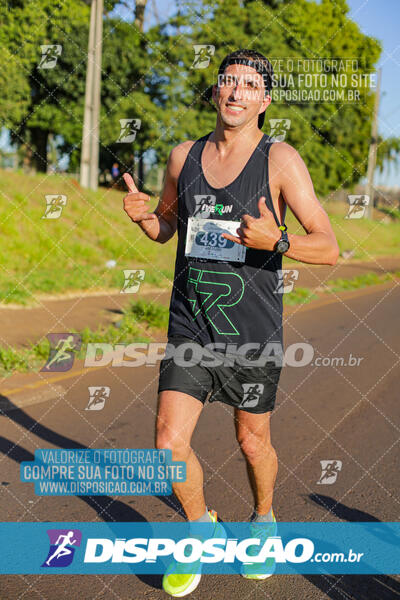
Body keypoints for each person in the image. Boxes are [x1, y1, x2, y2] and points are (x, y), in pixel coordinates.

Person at [122, 48, 339, 597]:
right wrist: (146, 217)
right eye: (228, 82)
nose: (236, 92)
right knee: (167, 446)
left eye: (249, 85)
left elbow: (329, 246)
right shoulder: (182, 157)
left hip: (252, 331)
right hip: (191, 323)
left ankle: (263, 518)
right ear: (216, 91)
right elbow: (167, 229)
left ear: (264, 100)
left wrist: (279, 241)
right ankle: (200, 528)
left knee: (252, 442)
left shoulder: (279, 160)